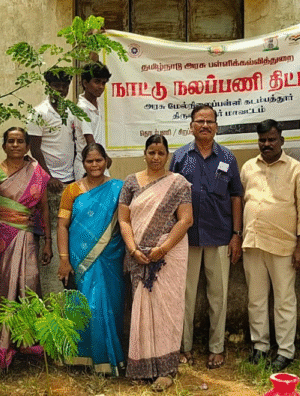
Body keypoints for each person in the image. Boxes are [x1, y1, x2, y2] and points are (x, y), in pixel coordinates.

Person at [170, 105, 243, 370]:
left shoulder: (228, 157)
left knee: (218, 296)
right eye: (199, 121)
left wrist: (236, 234)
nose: (204, 125)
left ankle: (217, 348)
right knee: (185, 296)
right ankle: (184, 347)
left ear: (216, 126)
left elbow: (236, 196)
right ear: (191, 126)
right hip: (185, 239)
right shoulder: (180, 157)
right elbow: (170, 198)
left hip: (220, 235)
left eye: (209, 121)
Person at [119, 135, 193, 392]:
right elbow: (124, 220)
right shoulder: (130, 182)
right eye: (152, 152)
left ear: (167, 156)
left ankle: (166, 370)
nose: (156, 158)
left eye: (161, 153)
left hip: (168, 254)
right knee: (141, 308)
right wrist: (132, 249)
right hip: (138, 253)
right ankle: (141, 366)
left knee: (167, 310)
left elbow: (185, 220)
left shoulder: (178, 183)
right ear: (145, 153)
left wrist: (163, 248)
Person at [240, 119, 300, 371]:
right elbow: (243, 201)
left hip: (284, 245)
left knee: (284, 300)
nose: (267, 144)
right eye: (262, 140)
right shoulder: (248, 167)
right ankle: (260, 346)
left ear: (281, 140)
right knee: (256, 299)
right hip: (253, 242)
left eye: (272, 139)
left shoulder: (296, 170)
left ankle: (285, 351)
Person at [0, 127, 52, 371]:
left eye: (20, 141)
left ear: (28, 146)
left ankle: (25, 346)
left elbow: (43, 208)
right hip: (1, 239)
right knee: (1, 289)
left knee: (30, 287)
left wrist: (49, 241)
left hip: (29, 238)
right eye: (11, 141)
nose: (15, 145)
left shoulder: (37, 172)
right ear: (4, 145)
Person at [56, 143, 126, 375]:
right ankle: (80, 357)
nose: (95, 165)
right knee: (84, 304)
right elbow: (62, 225)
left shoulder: (119, 188)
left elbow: (125, 222)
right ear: (83, 164)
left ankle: (107, 359)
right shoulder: (72, 191)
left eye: (99, 160)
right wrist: (64, 259)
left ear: (106, 161)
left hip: (111, 257)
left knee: (109, 305)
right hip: (79, 259)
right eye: (89, 161)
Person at [27, 67, 82, 293]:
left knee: (72, 229)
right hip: (48, 183)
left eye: (64, 86)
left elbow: (78, 144)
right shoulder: (37, 112)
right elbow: (34, 149)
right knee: (51, 228)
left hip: (71, 180)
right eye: (56, 85)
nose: (60, 89)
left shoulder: (73, 112)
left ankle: (72, 278)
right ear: (48, 86)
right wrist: (49, 176)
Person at [75, 62, 112, 178]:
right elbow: (89, 140)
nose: (101, 86)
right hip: (89, 165)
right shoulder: (82, 108)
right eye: (97, 82)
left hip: (99, 163)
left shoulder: (97, 103)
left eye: (103, 83)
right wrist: (105, 158)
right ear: (85, 83)